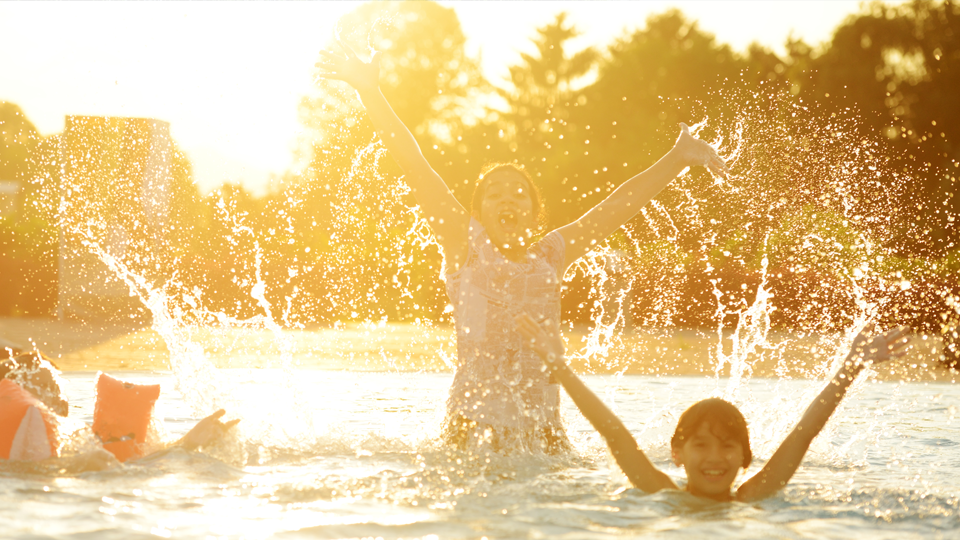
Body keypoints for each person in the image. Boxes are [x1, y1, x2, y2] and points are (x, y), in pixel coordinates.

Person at [315, 37, 728, 452]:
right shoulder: (465, 246)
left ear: (533, 210)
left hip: (544, 433)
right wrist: (370, 90)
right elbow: (415, 164)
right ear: (477, 212)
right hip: (470, 431)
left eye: (518, 192)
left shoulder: (551, 255)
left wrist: (678, 158)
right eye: (494, 193)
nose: (507, 198)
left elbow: (616, 208)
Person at [516, 313, 912, 501]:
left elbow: (803, 433)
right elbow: (614, 432)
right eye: (701, 444)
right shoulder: (661, 491)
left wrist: (851, 366)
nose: (714, 457)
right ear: (677, 454)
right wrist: (559, 367)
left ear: (745, 457)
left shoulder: (755, 494)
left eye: (727, 446)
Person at [0, 349, 238, 472]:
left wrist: (188, 443)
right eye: (43, 387)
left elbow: (137, 463)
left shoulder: (80, 440)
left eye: (58, 388)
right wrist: (80, 465)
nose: (59, 399)